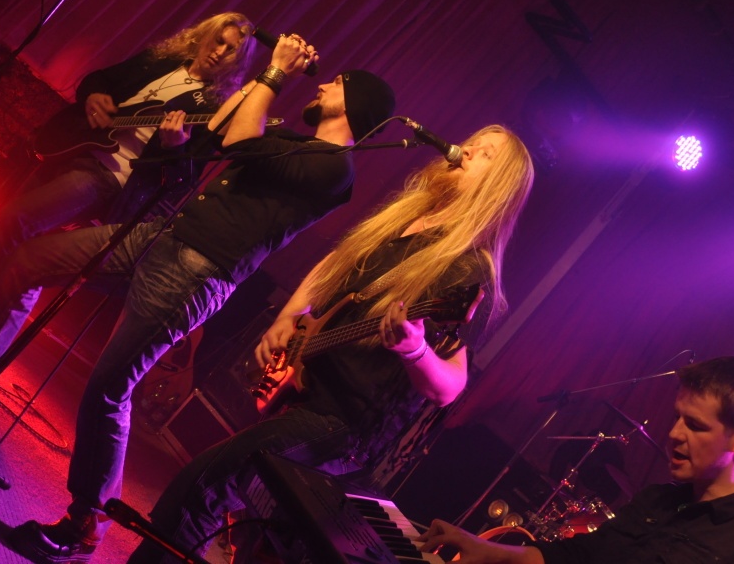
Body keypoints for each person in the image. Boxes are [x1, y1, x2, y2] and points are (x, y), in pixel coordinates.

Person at [0, 35, 397, 563]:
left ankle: (83, 526)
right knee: (28, 260)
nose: (324, 84)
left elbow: (239, 140)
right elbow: (223, 131)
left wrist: (278, 71)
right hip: (161, 236)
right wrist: (186, 138)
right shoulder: (293, 139)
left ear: (353, 104)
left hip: (196, 271)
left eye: (337, 84)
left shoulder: (336, 167)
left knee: (109, 389)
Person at [126, 123, 535, 563]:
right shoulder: (407, 216)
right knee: (252, 533)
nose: (468, 151)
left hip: (341, 425)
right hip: (308, 389)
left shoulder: (468, 272)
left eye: (486, 154)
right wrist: (289, 317)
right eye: (472, 143)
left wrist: (414, 349)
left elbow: (449, 387)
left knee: (204, 486)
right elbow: (333, 264)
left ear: (497, 190)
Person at [0, 12, 256, 404]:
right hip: (75, 148)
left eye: (231, 50)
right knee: (24, 258)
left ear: (237, 62)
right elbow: (99, 79)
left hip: (110, 176)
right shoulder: (161, 62)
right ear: (204, 36)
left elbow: (183, 179)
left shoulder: (214, 108)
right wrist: (94, 96)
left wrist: (175, 148)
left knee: (14, 220)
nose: (220, 51)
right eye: (218, 40)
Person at [418, 355, 734, 564]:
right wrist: (482, 548)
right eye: (677, 417)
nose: (674, 433)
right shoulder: (658, 500)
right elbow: (575, 558)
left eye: (695, 425)